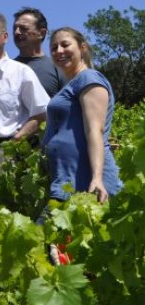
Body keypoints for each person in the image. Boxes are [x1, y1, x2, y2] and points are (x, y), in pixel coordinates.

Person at [0, 10, 49, 209]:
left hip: (2, 154)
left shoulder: (21, 72)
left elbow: (41, 112)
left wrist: (18, 139)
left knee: (1, 213)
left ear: (5, 36)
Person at [43, 28, 123, 203]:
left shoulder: (88, 78)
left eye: (65, 45)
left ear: (82, 48)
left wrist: (97, 178)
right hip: (68, 178)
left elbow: (95, 130)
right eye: (54, 48)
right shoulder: (71, 84)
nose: (59, 51)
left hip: (86, 180)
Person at [13, 7, 66, 97]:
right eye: (15, 28)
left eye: (23, 28)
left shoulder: (59, 67)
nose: (17, 32)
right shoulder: (6, 69)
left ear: (41, 33)